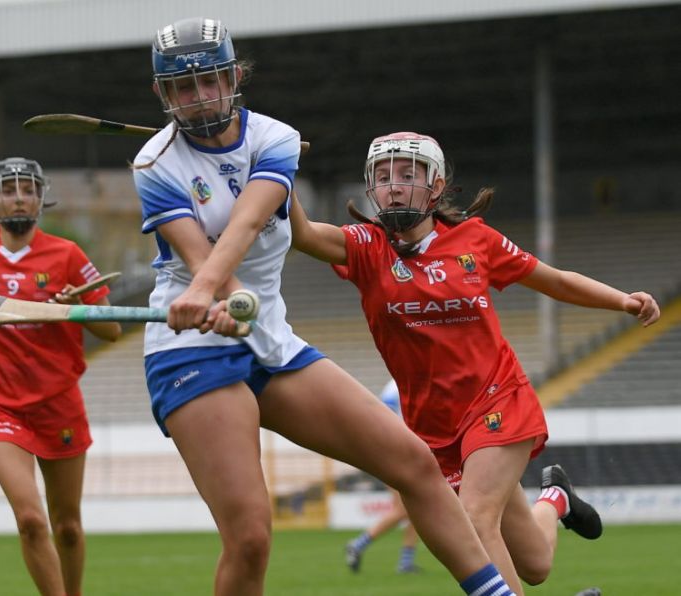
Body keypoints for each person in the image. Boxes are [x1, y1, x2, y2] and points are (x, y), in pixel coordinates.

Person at [132, 17, 518, 596]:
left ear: (235, 77)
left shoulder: (276, 139)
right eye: (182, 88)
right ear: (165, 95)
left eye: (209, 80)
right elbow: (197, 255)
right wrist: (209, 293)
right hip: (192, 346)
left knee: (413, 462)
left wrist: (219, 292)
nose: (198, 97)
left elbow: (249, 220)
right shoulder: (154, 164)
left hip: (268, 340)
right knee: (251, 536)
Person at [290, 131, 661, 595]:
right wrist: (272, 163)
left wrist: (622, 301)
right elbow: (300, 233)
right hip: (432, 426)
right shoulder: (366, 247)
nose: (395, 186)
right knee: (535, 563)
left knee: (474, 519)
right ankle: (556, 498)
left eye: (408, 175)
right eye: (383, 177)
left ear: (437, 184)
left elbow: (556, 281)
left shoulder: (474, 241)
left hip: (497, 398)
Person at [0, 157, 121, 596]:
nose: (19, 198)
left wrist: (77, 304)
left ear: (40, 198)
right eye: (9, 190)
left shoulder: (68, 255)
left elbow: (110, 331)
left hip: (58, 401)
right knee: (31, 520)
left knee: (67, 527)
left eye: (27, 189)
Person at [345, 379, 421, 574]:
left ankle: (406, 562)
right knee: (403, 510)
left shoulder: (409, 381)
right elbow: (384, 419)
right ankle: (358, 544)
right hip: (395, 454)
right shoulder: (395, 387)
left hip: (410, 453)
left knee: (418, 509)